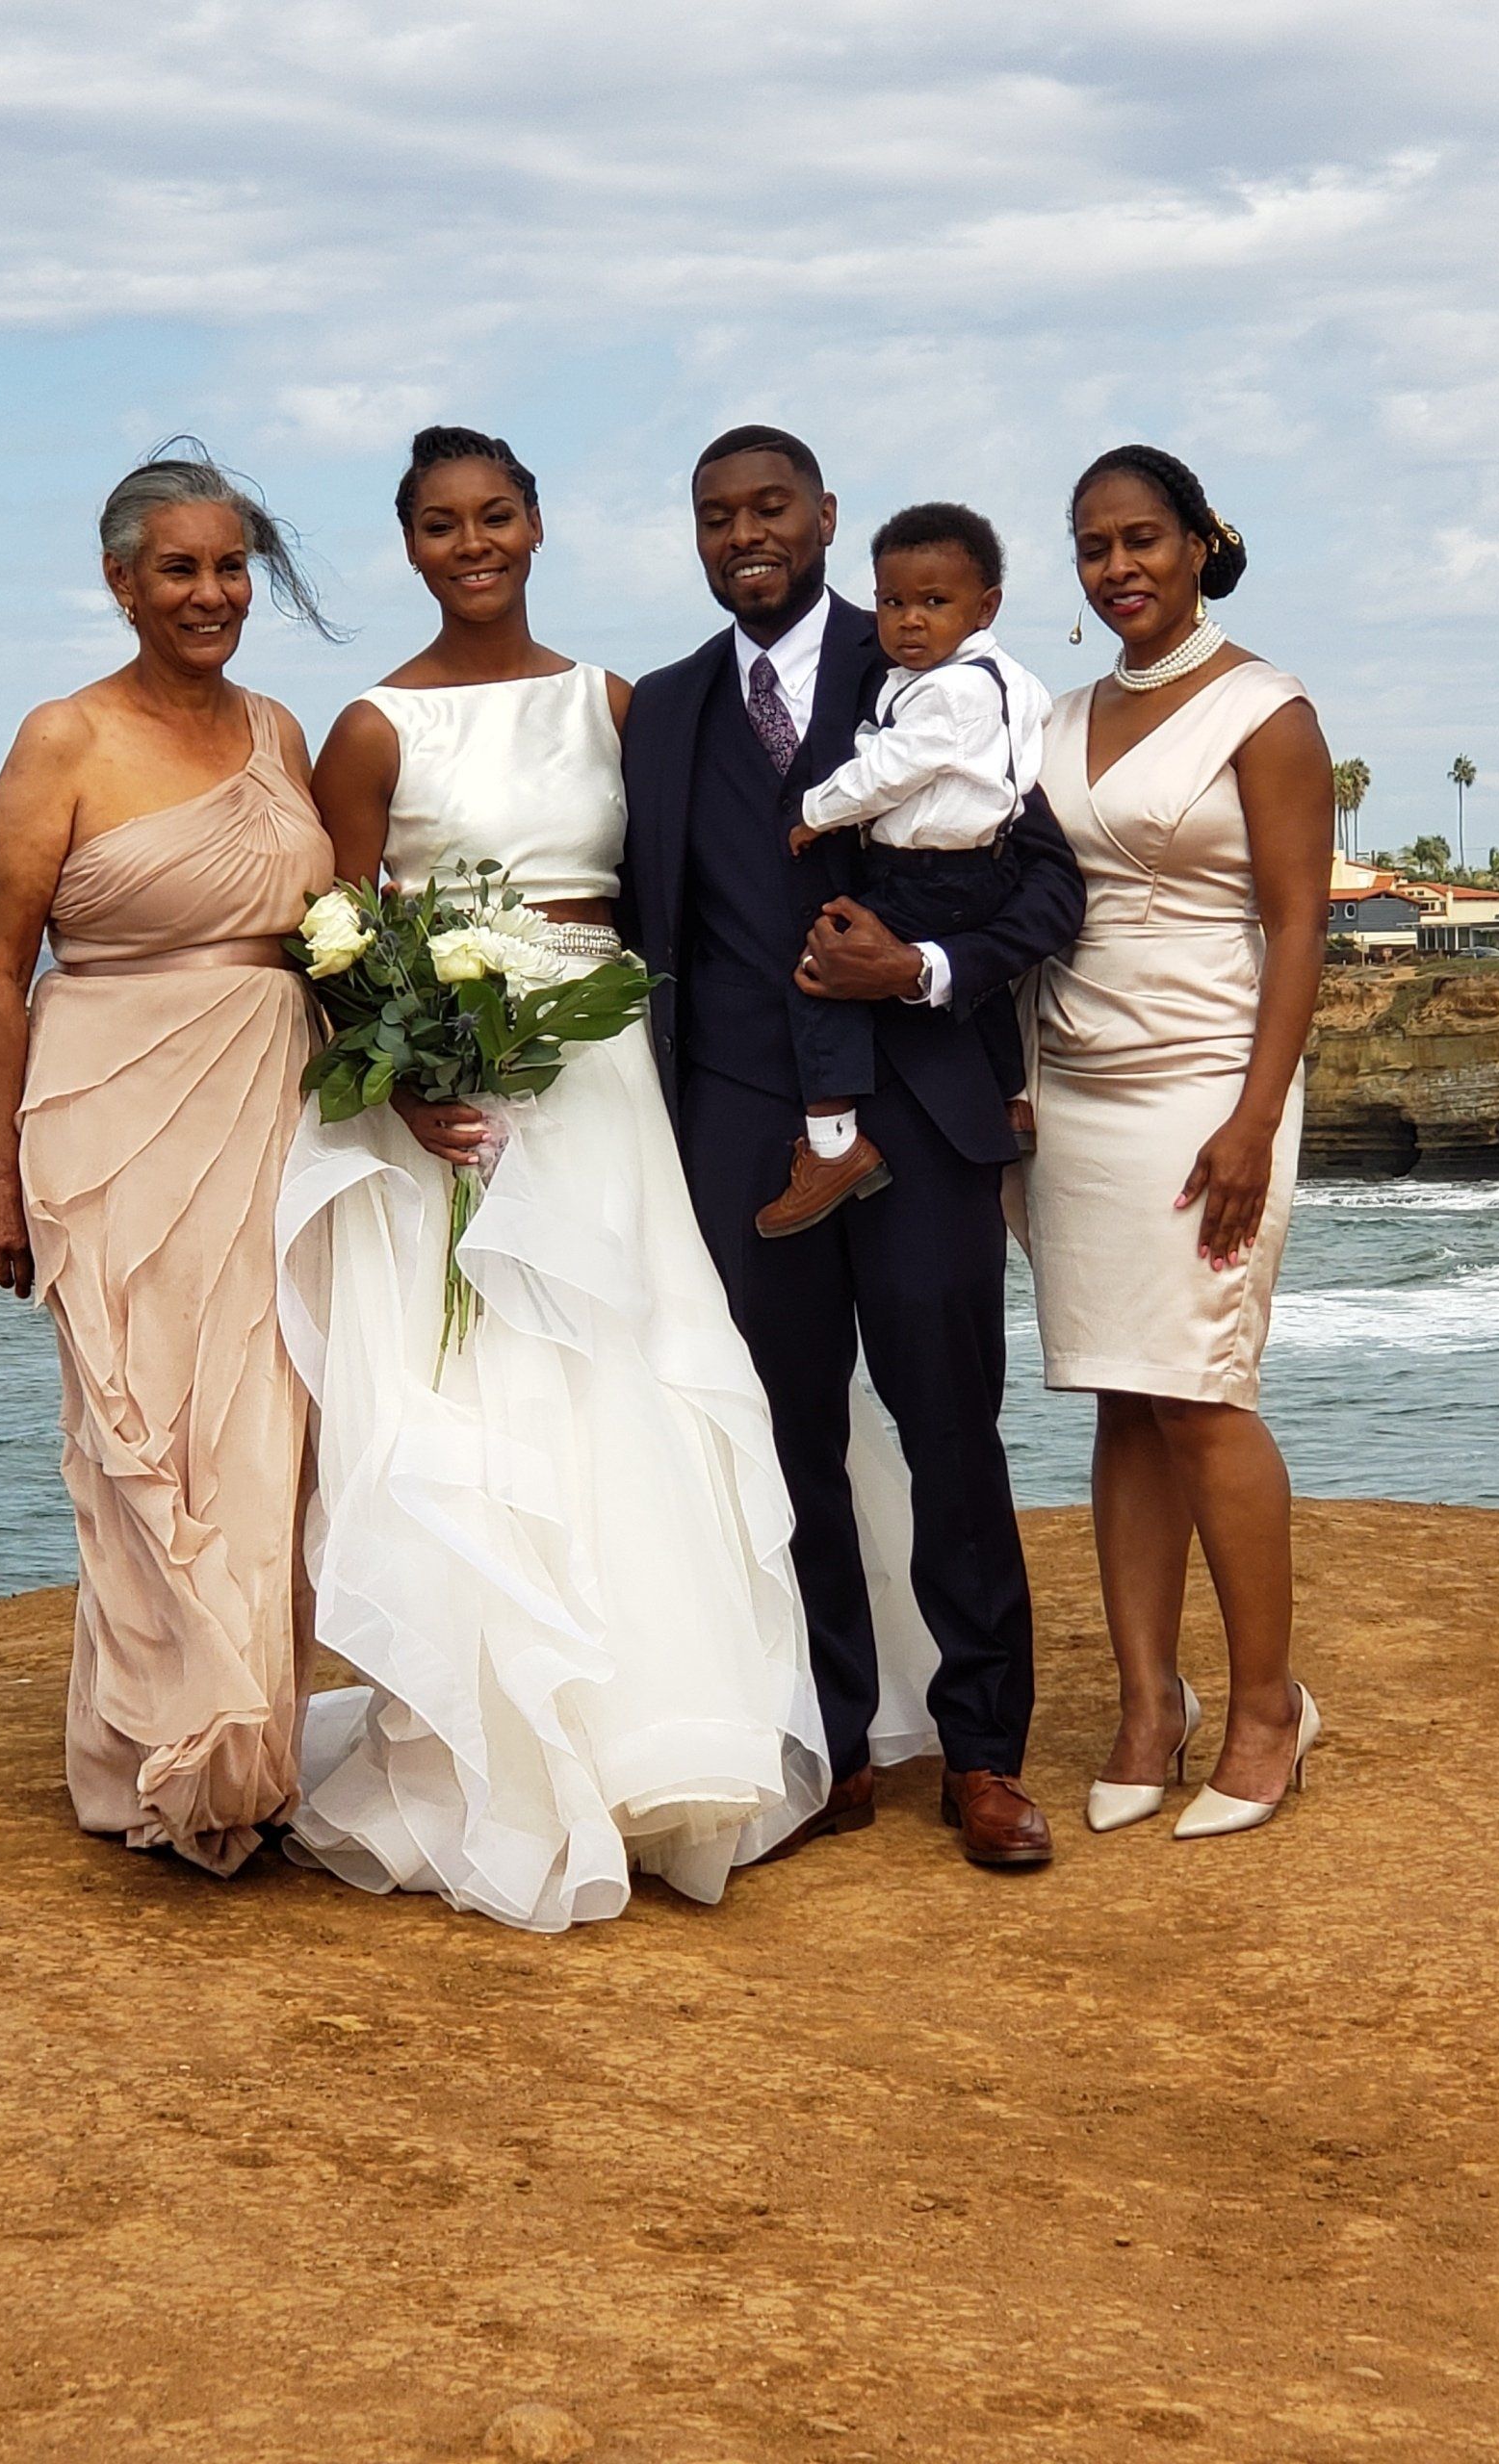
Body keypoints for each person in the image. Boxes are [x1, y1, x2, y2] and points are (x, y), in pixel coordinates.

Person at [274, 425, 922, 1933]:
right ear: (411, 545)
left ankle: (672, 1731)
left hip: (609, 1083)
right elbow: (331, 938)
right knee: (492, 1394)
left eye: (495, 515)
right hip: (462, 1105)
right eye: (441, 526)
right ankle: (502, 1743)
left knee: (640, 1377)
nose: (472, 544)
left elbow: (693, 902)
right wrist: (417, 1072)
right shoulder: (371, 727)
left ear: (539, 523)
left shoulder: (615, 703)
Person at [619, 425, 1086, 1869]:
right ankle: (829, 1745)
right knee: (788, 1442)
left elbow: (1050, 887)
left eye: (770, 509)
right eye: (715, 516)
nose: (743, 535)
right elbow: (655, 930)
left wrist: (929, 971)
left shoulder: (937, 667)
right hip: (743, 1131)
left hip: (925, 1114)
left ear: (825, 517)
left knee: (952, 1431)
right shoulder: (667, 709)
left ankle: (987, 1753)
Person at [0, 444, 337, 1876]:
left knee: (263, 1435)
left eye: (231, 565)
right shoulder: (63, 738)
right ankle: (155, 1761)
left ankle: (247, 1755)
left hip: (270, 1113)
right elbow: (1, 974)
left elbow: (320, 940)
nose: (210, 592)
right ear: (121, 582)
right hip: (106, 1119)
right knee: (138, 1435)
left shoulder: (283, 735)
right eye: (178, 567)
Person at [1019, 443, 1332, 1840]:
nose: (1119, 567)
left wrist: (1258, 1116)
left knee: (1203, 1392)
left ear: (1202, 542)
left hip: (1211, 1092)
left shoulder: (1268, 712)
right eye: (1094, 547)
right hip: (1074, 1094)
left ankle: (1270, 1707)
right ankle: (1152, 1702)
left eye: (1143, 538)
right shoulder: (1058, 715)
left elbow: (1299, 923)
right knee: (1124, 1395)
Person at [765, 499, 1051, 1236]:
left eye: (933, 602)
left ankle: (833, 1142)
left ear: (985, 607)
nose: (909, 621)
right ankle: (1011, 1097)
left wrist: (814, 813)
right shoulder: (1006, 681)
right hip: (986, 866)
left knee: (820, 968)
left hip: (930, 870)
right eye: (892, 602)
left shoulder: (948, 693)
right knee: (984, 994)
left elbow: (887, 771)